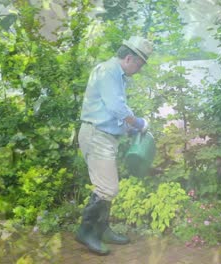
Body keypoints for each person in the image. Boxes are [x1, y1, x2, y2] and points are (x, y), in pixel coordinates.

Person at [76, 36, 153, 255]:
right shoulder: (109, 71)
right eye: (139, 64)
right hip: (96, 135)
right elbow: (117, 107)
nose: (139, 69)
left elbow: (110, 110)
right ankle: (86, 231)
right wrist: (139, 123)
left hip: (105, 135)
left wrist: (127, 129)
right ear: (129, 58)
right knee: (107, 188)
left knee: (107, 186)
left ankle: (102, 229)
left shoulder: (115, 74)